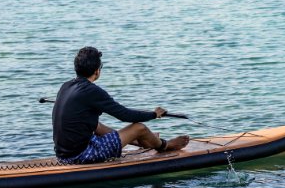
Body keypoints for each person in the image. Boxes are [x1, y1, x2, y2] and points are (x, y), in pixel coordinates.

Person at [52, 47, 189, 164]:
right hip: (81, 156)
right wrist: (154, 114)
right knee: (139, 127)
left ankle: (138, 142)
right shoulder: (92, 91)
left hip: (63, 156)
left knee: (96, 125)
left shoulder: (65, 86)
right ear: (97, 71)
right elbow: (125, 115)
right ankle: (165, 145)